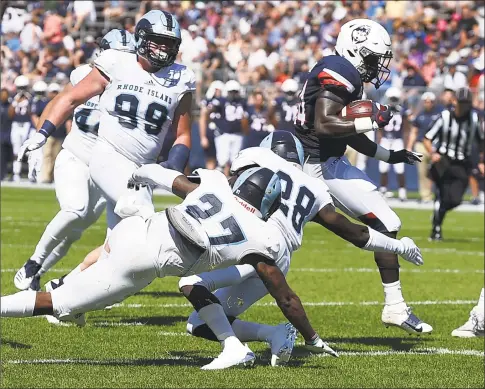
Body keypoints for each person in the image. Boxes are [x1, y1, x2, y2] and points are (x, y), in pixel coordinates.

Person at [2, 166, 333, 371]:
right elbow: (286, 298)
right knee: (57, 303)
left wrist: (135, 177)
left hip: (137, 228)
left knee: (169, 270)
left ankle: (232, 346)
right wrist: (313, 338)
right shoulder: (263, 237)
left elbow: (157, 172)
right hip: (144, 262)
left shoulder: (214, 184)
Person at [179, 131, 424, 367]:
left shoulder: (257, 156)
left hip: (251, 243)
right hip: (280, 259)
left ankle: (236, 350)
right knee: (199, 322)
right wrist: (399, 246)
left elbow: (228, 189)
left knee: (192, 284)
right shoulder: (314, 187)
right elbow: (356, 233)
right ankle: (275, 334)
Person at [17, 10, 195, 271]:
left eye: (169, 43)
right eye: (158, 41)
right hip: (108, 157)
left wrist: (173, 166)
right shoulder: (115, 63)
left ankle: (66, 286)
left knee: (125, 250)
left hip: (142, 169)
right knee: (144, 224)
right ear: (142, 39)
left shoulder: (182, 77)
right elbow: (69, 99)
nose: (163, 49)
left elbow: (183, 133)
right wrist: (42, 133)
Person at [293, 19, 430, 334]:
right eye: (371, 58)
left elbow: (346, 133)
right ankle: (207, 291)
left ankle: (395, 306)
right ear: (355, 51)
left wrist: (389, 155)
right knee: (274, 247)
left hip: (330, 162)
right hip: (309, 167)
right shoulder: (340, 70)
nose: (376, 66)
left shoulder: (347, 73)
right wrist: (370, 121)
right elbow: (325, 125)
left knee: (389, 223)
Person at [13, 29, 135, 292]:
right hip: (76, 156)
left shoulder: (138, 86)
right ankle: (33, 262)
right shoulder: (83, 75)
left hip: (107, 168)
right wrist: (40, 138)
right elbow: (61, 102)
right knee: (75, 210)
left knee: (77, 232)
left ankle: (46, 277)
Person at [424, 87, 484, 241]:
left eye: (467, 103)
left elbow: (482, 141)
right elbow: (427, 138)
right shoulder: (444, 116)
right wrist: (433, 153)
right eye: (462, 102)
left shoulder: (475, 119)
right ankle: (436, 229)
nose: (464, 106)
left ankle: (439, 211)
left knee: (455, 200)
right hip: (443, 160)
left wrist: (482, 162)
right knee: (442, 193)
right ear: (454, 101)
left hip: (462, 163)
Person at [407, 92, 444, 203]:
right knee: (422, 171)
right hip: (421, 144)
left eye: (430, 101)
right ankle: (426, 196)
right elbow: (414, 131)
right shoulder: (420, 115)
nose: (428, 103)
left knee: (438, 171)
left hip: (436, 144)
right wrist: (409, 146)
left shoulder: (439, 114)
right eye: (426, 102)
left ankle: (440, 194)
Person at [377, 87, 409, 201]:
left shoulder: (400, 111)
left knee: (399, 168)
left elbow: (406, 129)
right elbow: (380, 127)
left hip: (397, 140)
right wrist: (380, 140)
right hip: (387, 139)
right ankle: (384, 190)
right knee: (383, 167)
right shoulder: (387, 110)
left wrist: (405, 144)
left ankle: (402, 191)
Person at [212, 80, 248, 175]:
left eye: (235, 92)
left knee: (235, 161)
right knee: (222, 160)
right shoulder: (221, 101)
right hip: (224, 133)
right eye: (231, 92)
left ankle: (232, 181)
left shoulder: (242, 102)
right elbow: (209, 110)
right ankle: (217, 180)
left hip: (237, 133)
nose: (233, 94)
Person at [39, 82, 71, 184]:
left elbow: (68, 120)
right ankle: (45, 177)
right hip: (49, 133)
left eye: (55, 92)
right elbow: (41, 117)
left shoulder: (64, 103)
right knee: (47, 155)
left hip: (60, 133)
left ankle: (52, 176)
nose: (53, 94)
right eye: (52, 92)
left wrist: (68, 133)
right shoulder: (47, 104)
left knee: (56, 157)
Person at [9, 75, 32, 182]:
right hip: (16, 124)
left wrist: (27, 102)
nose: (22, 90)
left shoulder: (30, 97)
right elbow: (10, 114)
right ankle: (16, 173)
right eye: (20, 87)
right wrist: (15, 102)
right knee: (16, 150)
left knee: (28, 151)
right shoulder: (14, 97)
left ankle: (31, 174)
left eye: (23, 87)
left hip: (27, 124)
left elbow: (32, 113)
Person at [199, 80, 224, 170]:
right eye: (216, 90)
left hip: (222, 134)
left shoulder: (225, 102)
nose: (218, 92)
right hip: (211, 133)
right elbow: (202, 118)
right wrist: (203, 137)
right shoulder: (207, 102)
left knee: (223, 161)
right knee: (211, 159)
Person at [0, 88, 13, 180]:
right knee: (2, 157)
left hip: (9, 134)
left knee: (11, 156)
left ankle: (12, 174)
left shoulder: (10, 106)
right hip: (1, 134)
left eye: (5, 94)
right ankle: (2, 175)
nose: (3, 96)